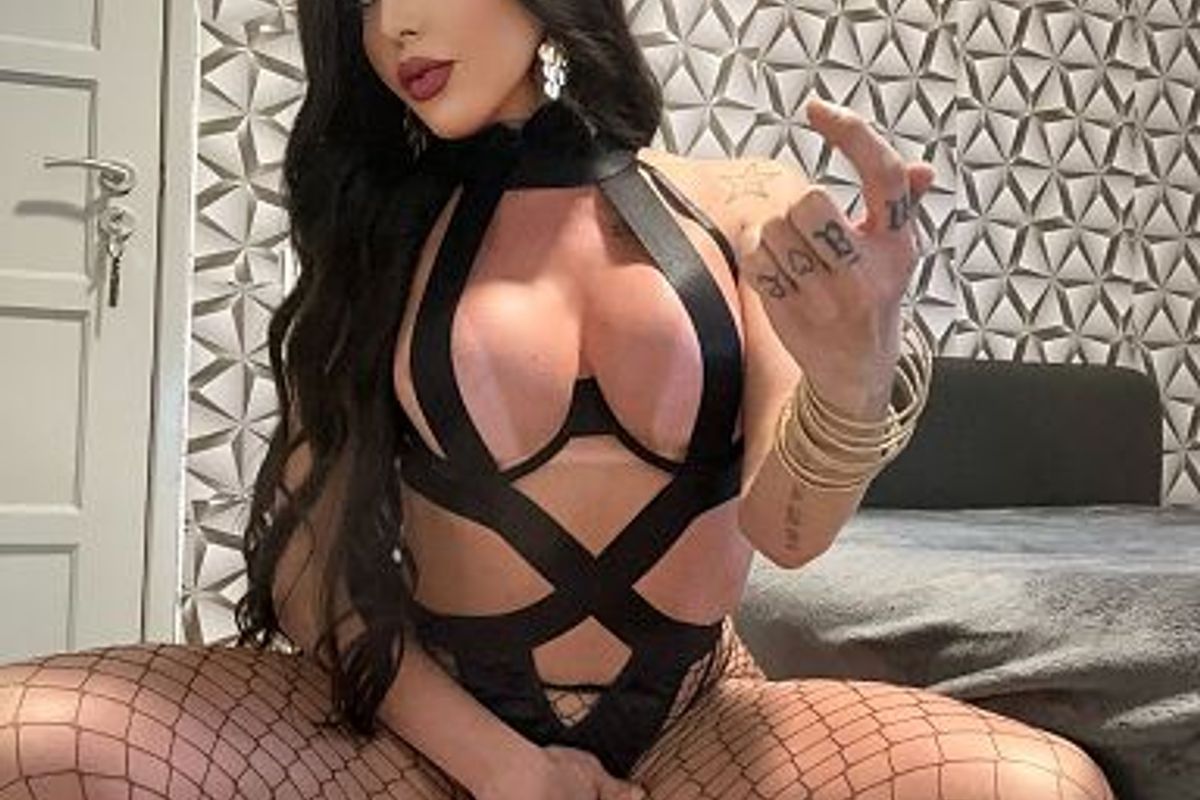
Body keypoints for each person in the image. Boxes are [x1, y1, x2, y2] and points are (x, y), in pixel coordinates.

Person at [0, 1, 1117, 798]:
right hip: (429, 722)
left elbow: (787, 532)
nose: (391, 29)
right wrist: (506, 770)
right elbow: (311, 574)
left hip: (692, 715)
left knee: (1040, 785)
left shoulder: (741, 201)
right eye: (361, 5)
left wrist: (853, 373)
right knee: (23, 736)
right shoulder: (382, 229)